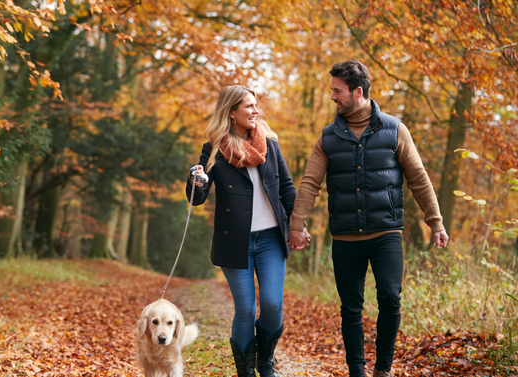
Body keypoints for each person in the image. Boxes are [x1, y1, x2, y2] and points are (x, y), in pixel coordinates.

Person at [287, 60, 449, 377]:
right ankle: (357, 371)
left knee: (390, 297)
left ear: (357, 92)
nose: (332, 96)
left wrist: (436, 222)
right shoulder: (328, 137)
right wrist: (296, 225)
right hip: (345, 237)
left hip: (385, 233)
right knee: (351, 309)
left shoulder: (394, 130)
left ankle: (383, 369)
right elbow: (309, 183)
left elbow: (418, 177)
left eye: (337, 91)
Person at [187, 85, 308, 377]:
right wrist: (198, 179)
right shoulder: (215, 149)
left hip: (270, 239)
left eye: (256, 105)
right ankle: (246, 371)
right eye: (249, 106)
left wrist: (297, 226)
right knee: (245, 309)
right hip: (235, 242)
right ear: (232, 112)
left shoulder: (270, 144)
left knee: (272, 304)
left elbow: (288, 190)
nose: (256, 111)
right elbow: (196, 199)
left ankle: (265, 359)